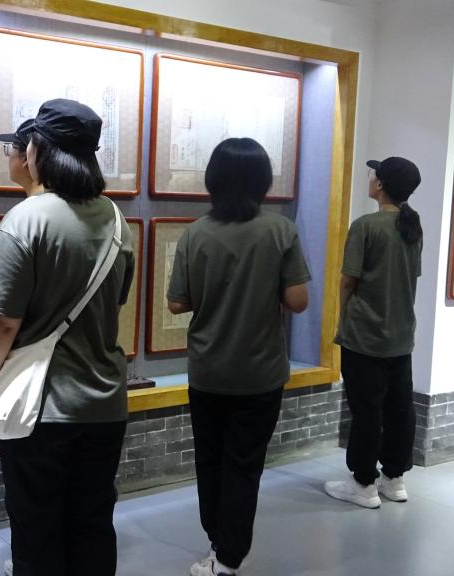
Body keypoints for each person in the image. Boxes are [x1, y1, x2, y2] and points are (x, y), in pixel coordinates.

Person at [0, 99, 135, 576]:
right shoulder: (116, 220)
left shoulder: (26, 220)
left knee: (37, 531)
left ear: (38, 150)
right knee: (93, 525)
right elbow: (115, 303)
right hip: (105, 404)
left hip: (41, 411)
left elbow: (2, 323)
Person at [167, 138, 311, 576]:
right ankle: (229, 556)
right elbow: (299, 301)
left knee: (210, 460)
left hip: (208, 370)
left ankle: (219, 543)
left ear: (213, 180)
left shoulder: (196, 233)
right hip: (260, 373)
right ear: (262, 181)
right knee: (244, 465)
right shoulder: (280, 230)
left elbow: (176, 303)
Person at [325, 157, 423, 509]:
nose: (370, 178)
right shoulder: (413, 226)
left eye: (373, 175)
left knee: (366, 412)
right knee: (399, 409)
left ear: (380, 185)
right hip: (401, 335)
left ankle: (363, 483)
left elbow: (348, 280)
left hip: (365, 336)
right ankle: (394, 478)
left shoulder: (365, 226)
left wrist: (343, 317)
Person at [0, 118, 44, 196]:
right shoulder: (58, 199)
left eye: (12, 147)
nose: (9, 155)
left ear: (26, 159)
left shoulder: (34, 203)